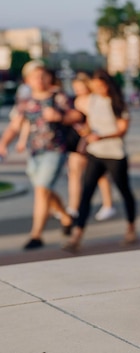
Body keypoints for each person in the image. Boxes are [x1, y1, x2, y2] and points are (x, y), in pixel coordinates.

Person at [0, 60, 80, 249]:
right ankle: (66, 217)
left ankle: (36, 235)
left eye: (43, 75)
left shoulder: (58, 97)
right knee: (44, 189)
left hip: (56, 150)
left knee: (42, 190)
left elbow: (77, 116)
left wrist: (59, 117)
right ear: (28, 80)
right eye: (35, 76)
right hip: (35, 153)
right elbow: (15, 125)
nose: (40, 80)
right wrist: (4, 143)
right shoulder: (27, 102)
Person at [63, 69, 137, 252]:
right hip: (95, 153)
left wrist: (102, 137)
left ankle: (131, 228)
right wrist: (86, 131)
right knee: (86, 192)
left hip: (114, 154)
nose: (97, 89)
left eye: (100, 86)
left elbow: (122, 129)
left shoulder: (118, 103)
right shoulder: (93, 100)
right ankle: (77, 235)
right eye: (94, 86)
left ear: (108, 85)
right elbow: (89, 121)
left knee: (124, 190)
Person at [65, 72, 116, 220]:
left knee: (99, 174)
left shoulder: (94, 100)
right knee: (74, 173)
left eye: (80, 87)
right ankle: (73, 206)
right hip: (79, 141)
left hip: (91, 140)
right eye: (75, 88)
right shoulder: (77, 100)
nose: (78, 91)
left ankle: (107, 204)